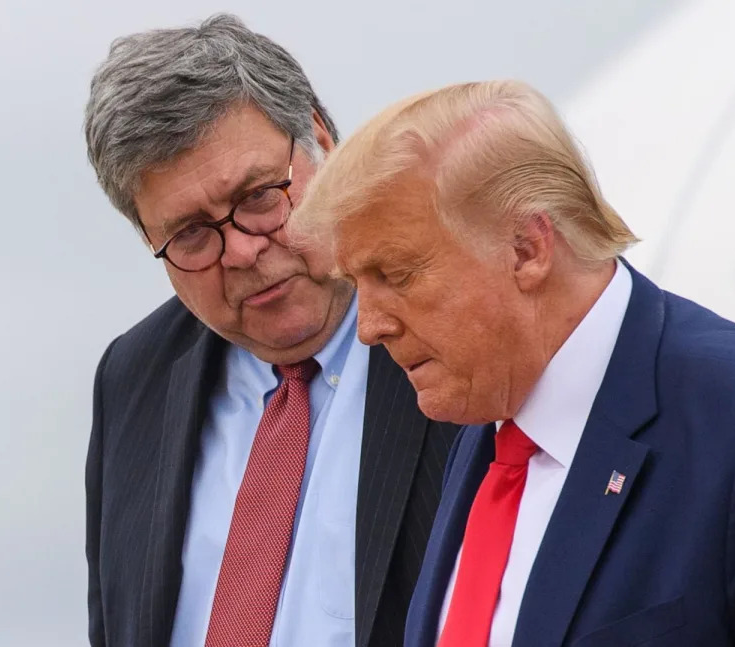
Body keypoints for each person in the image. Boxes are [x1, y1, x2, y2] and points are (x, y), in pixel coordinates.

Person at [287, 80, 735, 646]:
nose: (369, 328)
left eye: (396, 275)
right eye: (357, 283)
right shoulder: (485, 433)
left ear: (528, 248)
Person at [82, 15, 458, 647]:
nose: (241, 253)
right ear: (150, 239)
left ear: (321, 141)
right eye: (192, 234)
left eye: (259, 197)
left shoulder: (458, 328)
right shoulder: (133, 378)